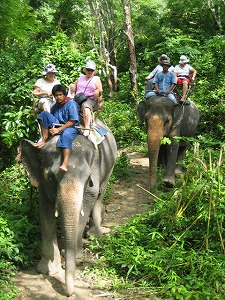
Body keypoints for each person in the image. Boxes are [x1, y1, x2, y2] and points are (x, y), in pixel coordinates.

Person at [34, 84, 80, 173]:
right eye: (56, 95)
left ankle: (65, 163)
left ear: (64, 94)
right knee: (44, 114)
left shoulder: (71, 104)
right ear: (54, 96)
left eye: (60, 95)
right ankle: (44, 139)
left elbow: (73, 121)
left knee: (66, 134)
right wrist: (52, 129)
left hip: (71, 127)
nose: (58, 97)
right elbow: (52, 119)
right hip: (58, 125)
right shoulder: (54, 106)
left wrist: (58, 130)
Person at [70, 60, 103, 137]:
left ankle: (87, 127)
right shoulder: (81, 77)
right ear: (85, 70)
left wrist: (97, 91)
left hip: (89, 99)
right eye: (88, 69)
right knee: (68, 105)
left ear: (94, 71)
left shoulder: (96, 78)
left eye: (92, 70)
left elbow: (100, 89)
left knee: (86, 106)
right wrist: (72, 86)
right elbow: (74, 85)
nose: (90, 71)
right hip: (78, 98)